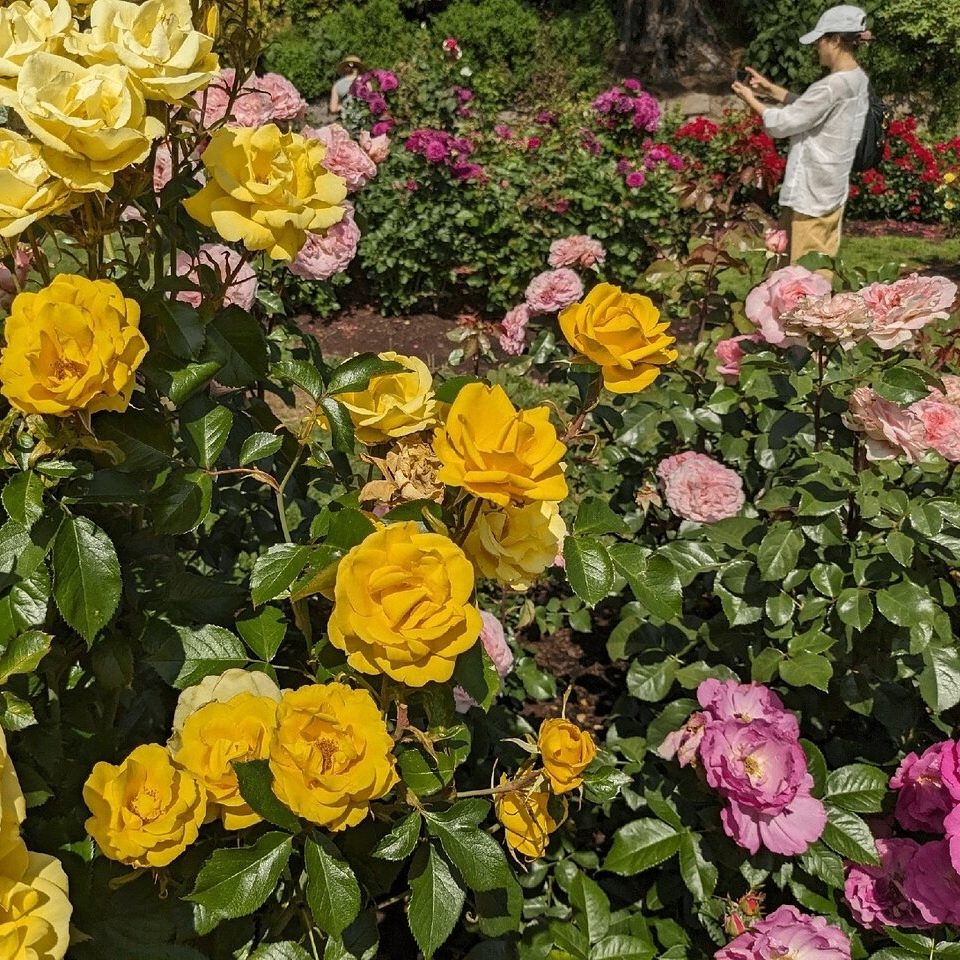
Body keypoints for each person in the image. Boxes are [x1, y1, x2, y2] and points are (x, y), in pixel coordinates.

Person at [732, 5, 871, 267]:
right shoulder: (855, 79)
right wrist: (771, 89)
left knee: (803, 276)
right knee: (818, 266)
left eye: (821, 40)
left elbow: (784, 123)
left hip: (811, 195)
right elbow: (814, 108)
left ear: (836, 40)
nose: (817, 46)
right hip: (831, 188)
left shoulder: (832, 86)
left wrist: (750, 98)